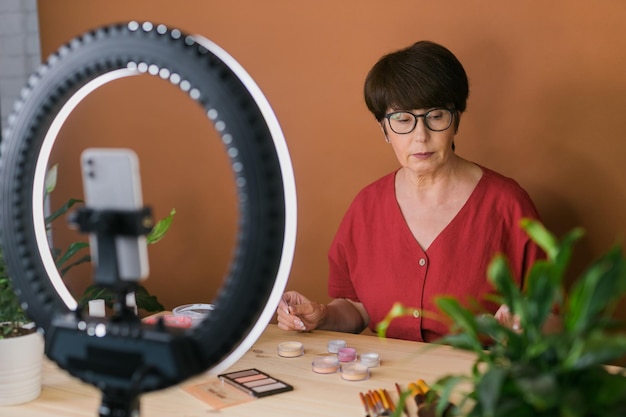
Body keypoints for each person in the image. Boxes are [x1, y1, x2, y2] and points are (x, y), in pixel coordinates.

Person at [276, 40, 544, 342]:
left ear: (456, 119)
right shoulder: (366, 207)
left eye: (436, 116)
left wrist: (524, 326)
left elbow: (553, 317)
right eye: (403, 119)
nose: (421, 136)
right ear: (384, 129)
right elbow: (358, 308)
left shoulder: (508, 205)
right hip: (382, 383)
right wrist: (321, 315)